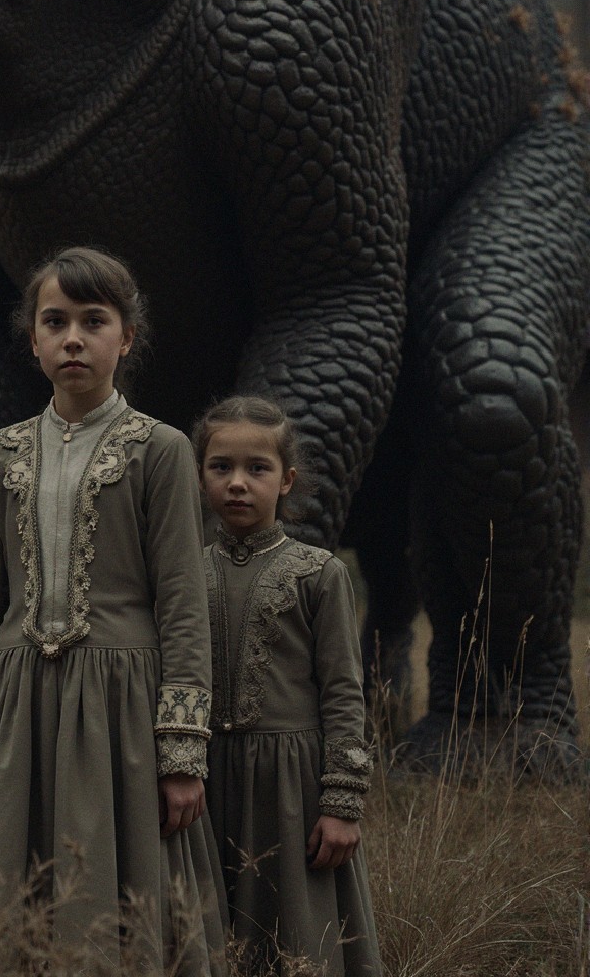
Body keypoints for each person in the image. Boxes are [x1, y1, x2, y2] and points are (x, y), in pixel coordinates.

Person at [0, 246, 227, 975]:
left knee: (109, 898)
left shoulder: (161, 450)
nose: (73, 338)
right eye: (54, 321)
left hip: (119, 709)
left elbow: (184, 600)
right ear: (32, 339)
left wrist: (182, 746)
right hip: (13, 707)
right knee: (4, 887)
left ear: (127, 336)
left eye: (94, 321)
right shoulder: (1, 452)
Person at [193, 395, 381, 976]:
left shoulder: (319, 573)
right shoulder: (181, 570)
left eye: (258, 468)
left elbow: (345, 692)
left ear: (287, 479)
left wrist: (342, 802)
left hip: (290, 787)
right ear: (199, 475)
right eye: (220, 467)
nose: (238, 484)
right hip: (202, 779)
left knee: (295, 927)